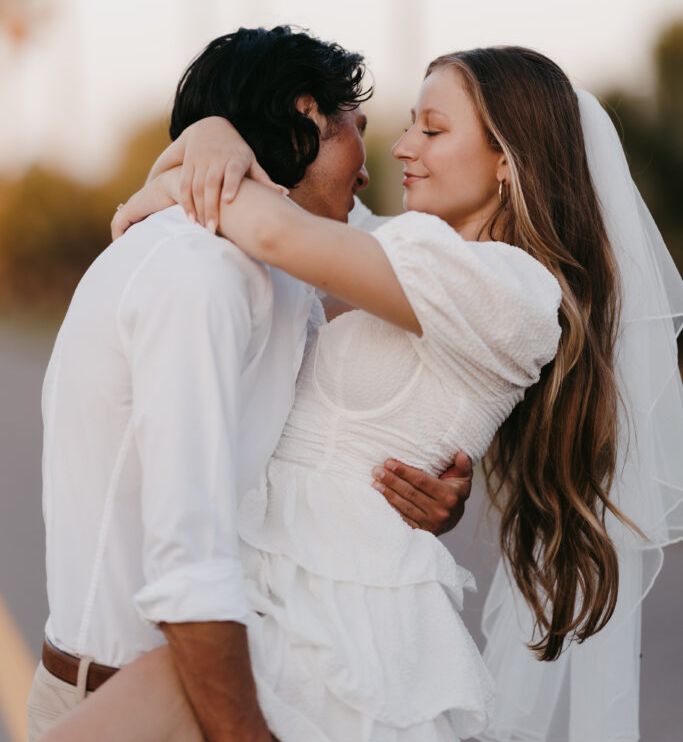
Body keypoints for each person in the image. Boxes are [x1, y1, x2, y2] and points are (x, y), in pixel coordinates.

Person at [44, 43, 643, 742]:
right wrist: (206, 139)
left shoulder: (509, 289)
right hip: (277, 601)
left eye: (432, 129)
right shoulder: (405, 252)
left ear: (507, 160)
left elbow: (271, 223)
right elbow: (297, 212)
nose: (399, 147)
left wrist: (200, 150)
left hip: (342, 621)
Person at [29, 27, 472, 742]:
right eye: (355, 129)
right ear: (304, 117)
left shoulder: (277, 251)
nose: (366, 169)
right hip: (143, 704)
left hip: (228, 679)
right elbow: (187, 561)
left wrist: (430, 490)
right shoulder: (196, 275)